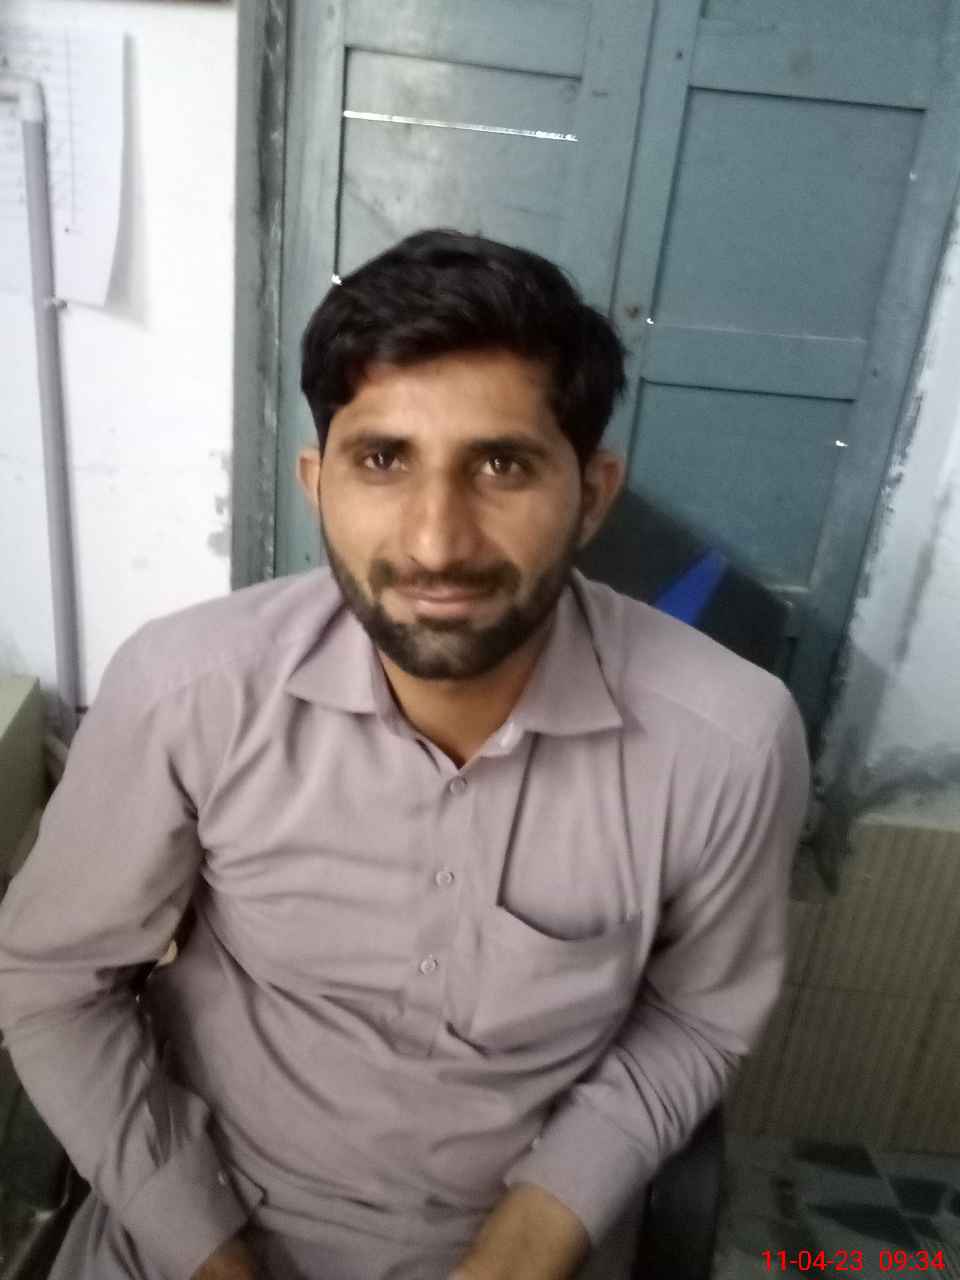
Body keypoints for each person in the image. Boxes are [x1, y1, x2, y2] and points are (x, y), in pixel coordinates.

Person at [0, 229, 810, 1280]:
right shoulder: (190, 690)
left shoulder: (727, 740)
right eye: (383, 460)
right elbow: (53, 979)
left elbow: (698, 1016)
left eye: (502, 464)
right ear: (317, 482)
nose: (436, 542)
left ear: (593, 492)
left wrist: (531, 1240)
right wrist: (204, 1249)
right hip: (194, 1233)